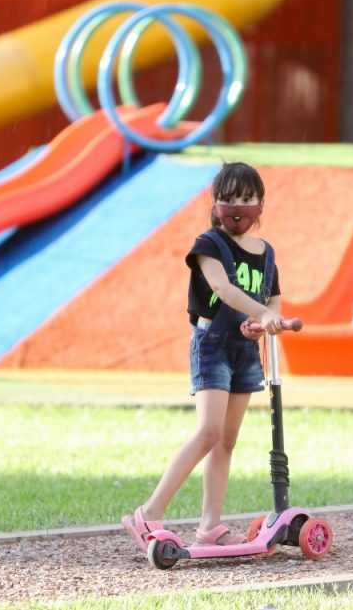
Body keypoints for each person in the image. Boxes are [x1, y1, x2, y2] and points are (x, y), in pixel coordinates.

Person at [122, 161, 285, 549]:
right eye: (229, 199)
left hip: (246, 350)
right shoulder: (209, 245)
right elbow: (223, 288)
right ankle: (150, 511)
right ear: (214, 206)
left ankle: (210, 527)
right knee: (208, 431)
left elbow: (272, 299)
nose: (237, 207)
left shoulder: (266, 254)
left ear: (261, 204)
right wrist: (260, 313)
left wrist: (267, 320)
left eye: (246, 199)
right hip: (212, 345)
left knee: (226, 440)